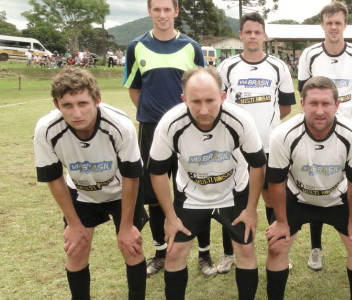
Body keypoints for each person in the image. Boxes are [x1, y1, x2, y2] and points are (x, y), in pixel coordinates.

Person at [149, 67, 266, 300]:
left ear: (222, 96)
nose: (203, 110)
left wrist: (251, 209)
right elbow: (158, 172)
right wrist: (171, 217)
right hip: (192, 195)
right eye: (195, 101)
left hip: (232, 192)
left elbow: (258, 165)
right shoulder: (170, 124)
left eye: (210, 100)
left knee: (244, 248)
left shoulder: (240, 120)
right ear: (184, 100)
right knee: (174, 252)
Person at [33, 67, 147, 299]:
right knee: (77, 249)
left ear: (97, 100)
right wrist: (74, 225)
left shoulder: (119, 126)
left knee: (131, 247)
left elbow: (131, 176)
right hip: (81, 192)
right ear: (57, 105)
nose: (77, 113)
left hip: (120, 191)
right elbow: (54, 178)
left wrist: (126, 227)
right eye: (67, 105)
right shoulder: (46, 130)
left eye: (83, 103)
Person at [123, 0, 213, 278]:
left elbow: (202, 85)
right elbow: (135, 89)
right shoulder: (135, 47)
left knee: (196, 190)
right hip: (151, 130)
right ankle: (160, 252)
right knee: (153, 195)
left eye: (167, 9)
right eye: (156, 9)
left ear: (176, 12)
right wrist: (157, 119)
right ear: (149, 11)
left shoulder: (191, 47)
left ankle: (204, 253)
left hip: (188, 130)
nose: (162, 15)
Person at [265, 76, 352, 300]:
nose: (319, 111)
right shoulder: (282, 134)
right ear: (302, 104)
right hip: (297, 198)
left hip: (337, 198)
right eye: (313, 103)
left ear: (337, 105)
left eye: (326, 104)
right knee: (276, 246)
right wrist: (281, 222)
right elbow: (276, 182)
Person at [297, 1, 352, 271]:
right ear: (322, 25)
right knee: (317, 181)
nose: (333, 27)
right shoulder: (309, 55)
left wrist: (347, 118)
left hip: (347, 133)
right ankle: (315, 248)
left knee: (346, 185)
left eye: (338, 23)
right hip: (317, 130)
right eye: (329, 23)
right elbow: (303, 94)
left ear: (345, 25)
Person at [217, 11, 296, 273]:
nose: (252, 36)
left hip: (270, 146)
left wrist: (265, 127)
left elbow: (285, 107)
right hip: (236, 150)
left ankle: (278, 248)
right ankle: (229, 252)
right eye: (247, 32)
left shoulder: (278, 66)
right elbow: (220, 106)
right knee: (233, 201)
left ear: (264, 36)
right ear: (240, 35)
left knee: (273, 198)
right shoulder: (227, 66)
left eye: (257, 32)